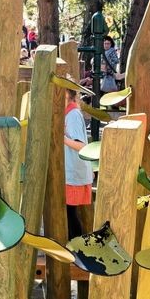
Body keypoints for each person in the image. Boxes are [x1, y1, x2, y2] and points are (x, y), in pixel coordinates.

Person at [61, 88, 92, 238]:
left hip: (73, 171)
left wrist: (61, 138)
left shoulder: (73, 114)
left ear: (70, 95)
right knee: (68, 213)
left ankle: (77, 249)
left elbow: (81, 145)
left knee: (70, 213)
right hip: (70, 171)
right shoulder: (67, 112)